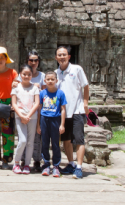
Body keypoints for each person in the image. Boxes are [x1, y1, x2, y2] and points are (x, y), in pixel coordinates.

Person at [55, 45, 89, 179]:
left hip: (77, 109)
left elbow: (85, 86)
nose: (62, 57)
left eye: (64, 54)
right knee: (66, 139)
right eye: (59, 55)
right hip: (63, 112)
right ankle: (71, 163)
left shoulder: (77, 69)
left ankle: (79, 167)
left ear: (69, 56)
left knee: (79, 139)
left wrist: (85, 103)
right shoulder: (55, 73)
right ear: (56, 58)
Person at [12, 65, 40, 174]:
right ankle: (16, 163)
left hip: (32, 117)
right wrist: (22, 115)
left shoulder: (35, 88)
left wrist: (28, 115)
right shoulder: (16, 87)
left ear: (32, 75)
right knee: (22, 140)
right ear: (20, 75)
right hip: (19, 117)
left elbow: (37, 103)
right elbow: (14, 103)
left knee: (30, 142)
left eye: (29, 74)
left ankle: (27, 164)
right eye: (24, 74)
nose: (26, 76)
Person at [38, 71, 66, 178]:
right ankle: (46, 164)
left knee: (55, 144)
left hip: (55, 119)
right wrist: (38, 125)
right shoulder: (42, 93)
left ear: (56, 81)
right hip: (44, 119)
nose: (50, 81)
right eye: (48, 79)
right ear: (44, 81)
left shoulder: (60, 93)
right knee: (44, 143)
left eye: (52, 79)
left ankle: (56, 166)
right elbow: (39, 109)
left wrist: (62, 124)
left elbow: (63, 109)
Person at [26, 50, 45, 172]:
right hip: (25, 110)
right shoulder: (22, 73)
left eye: (35, 60)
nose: (33, 62)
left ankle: (37, 161)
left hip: (38, 110)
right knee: (25, 137)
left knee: (38, 137)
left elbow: (45, 91)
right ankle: (24, 160)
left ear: (38, 62)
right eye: (31, 60)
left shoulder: (42, 76)